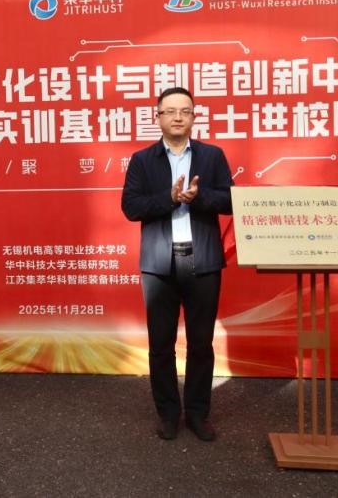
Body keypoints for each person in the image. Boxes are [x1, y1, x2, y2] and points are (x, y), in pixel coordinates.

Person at [121, 87, 234, 441]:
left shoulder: (212, 156)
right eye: (169, 111)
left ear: (194, 117)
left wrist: (200, 197)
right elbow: (131, 207)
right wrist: (169, 198)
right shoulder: (142, 160)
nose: (177, 117)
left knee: (201, 343)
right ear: (157, 117)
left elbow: (231, 201)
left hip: (203, 261)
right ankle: (168, 413)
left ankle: (198, 414)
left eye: (185, 111)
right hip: (159, 264)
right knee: (161, 345)